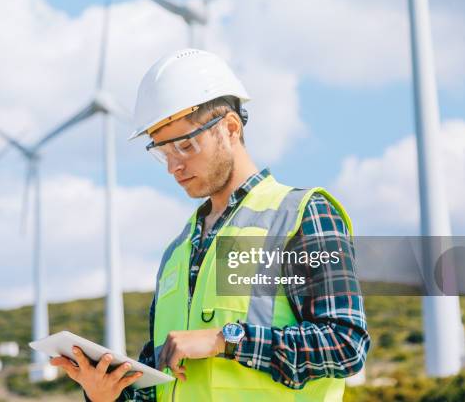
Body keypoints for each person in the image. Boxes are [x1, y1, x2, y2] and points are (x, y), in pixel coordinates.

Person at [51, 49, 370, 401]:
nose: (174, 167)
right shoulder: (178, 251)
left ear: (231, 128)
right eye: (162, 152)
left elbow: (345, 344)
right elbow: (166, 383)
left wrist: (226, 340)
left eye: (185, 145)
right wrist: (106, 394)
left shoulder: (300, 215)